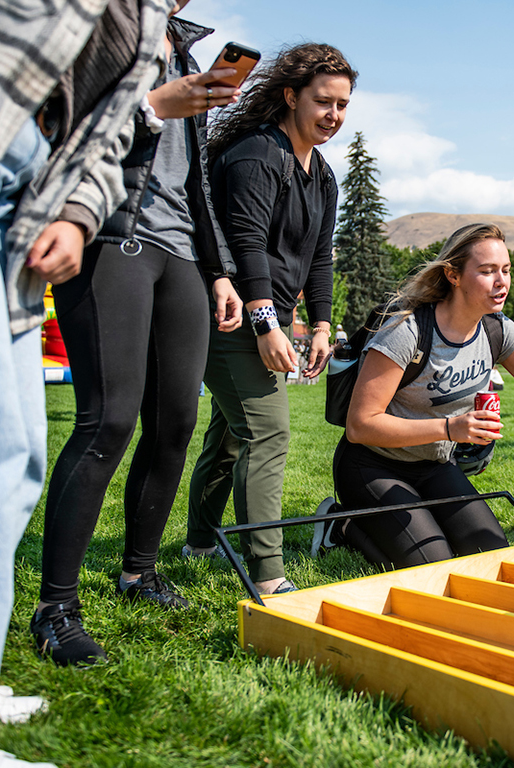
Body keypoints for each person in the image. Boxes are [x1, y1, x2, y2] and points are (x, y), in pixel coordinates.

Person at [0, 0, 172, 763]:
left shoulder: (152, 27)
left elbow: (106, 137)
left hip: (22, 196)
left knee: (10, 459)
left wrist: (78, 213)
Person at [32, 6, 245, 667]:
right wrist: (157, 103)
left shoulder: (184, 49)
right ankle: (56, 609)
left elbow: (199, 181)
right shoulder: (95, 26)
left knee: (176, 421)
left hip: (180, 251)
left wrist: (218, 271)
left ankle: (139, 572)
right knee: (108, 420)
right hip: (105, 231)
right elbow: (60, 128)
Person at [185, 43, 355, 595]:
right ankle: (268, 574)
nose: (334, 115)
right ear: (290, 96)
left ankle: (202, 541)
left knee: (233, 435)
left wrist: (323, 324)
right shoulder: (257, 154)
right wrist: (266, 324)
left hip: (271, 313)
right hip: (228, 310)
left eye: (343, 105)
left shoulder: (322, 174)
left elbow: (321, 255)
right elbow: (248, 245)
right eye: (323, 101)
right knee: (268, 431)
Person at [324, 224, 514, 569]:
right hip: (371, 464)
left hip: (434, 465)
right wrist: (449, 428)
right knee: (434, 563)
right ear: (453, 275)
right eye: (487, 271)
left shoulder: (497, 329)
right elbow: (360, 425)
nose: (501, 282)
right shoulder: (406, 329)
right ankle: (341, 525)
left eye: (505, 270)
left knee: (489, 555)